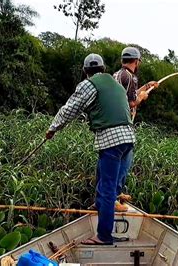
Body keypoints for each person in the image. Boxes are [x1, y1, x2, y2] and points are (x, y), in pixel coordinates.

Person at [46, 53, 135, 245]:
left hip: (111, 140)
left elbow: (70, 109)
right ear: (103, 68)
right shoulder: (115, 84)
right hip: (128, 139)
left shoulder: (89, 84)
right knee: (103, 174)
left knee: (108, 187)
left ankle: (104, 236)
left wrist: (53, 128)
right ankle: (99, 205)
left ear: (86, 71)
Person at [111, 47, 158, 211]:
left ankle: (115, 194)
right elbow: (131, 102)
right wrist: (142, 97)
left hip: (114, 123)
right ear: (136, 61)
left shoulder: (117, 75)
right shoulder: (131, 76)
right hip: (124, 126)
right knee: (124, 160)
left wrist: (146, 87)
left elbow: (128, 94)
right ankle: (113, 196)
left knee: (119, 160)